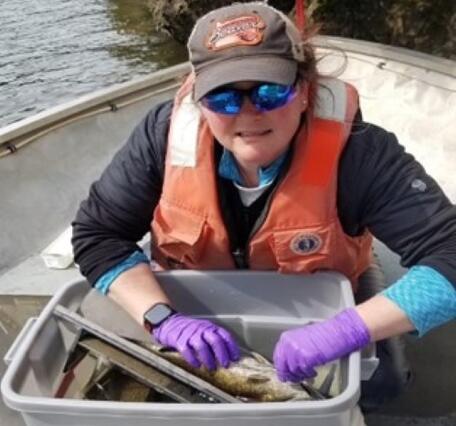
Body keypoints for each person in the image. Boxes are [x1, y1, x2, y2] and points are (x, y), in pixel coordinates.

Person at [72, 1, 456, 413]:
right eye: (223, 98)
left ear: (305, 91)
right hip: (193, 292)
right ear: (199, 103)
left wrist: (348, 329)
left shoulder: (362, 153)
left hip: (328, 290)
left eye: (271, 90)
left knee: (382, 378)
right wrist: (164, 319)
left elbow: (450, 253)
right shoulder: (162, 136)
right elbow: (98, 236)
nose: (249, 113)